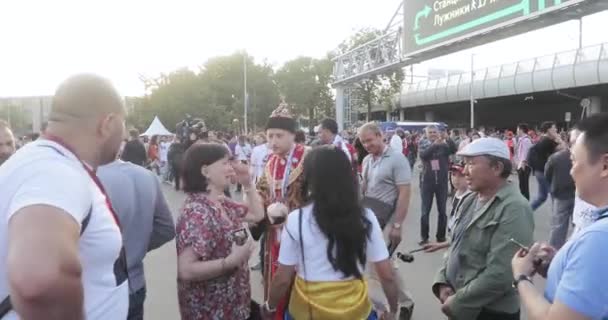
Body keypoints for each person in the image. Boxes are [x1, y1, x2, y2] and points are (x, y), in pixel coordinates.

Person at [0, 74, 129, 319]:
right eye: (124, 124)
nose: (123, 137)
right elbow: (38, 279)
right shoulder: (54, 171)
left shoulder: (42, 162)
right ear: (108, 123)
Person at [263, 146, 400, 319]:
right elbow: (386, 274)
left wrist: (270, 307)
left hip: (307, 310)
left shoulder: (296, 219)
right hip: (355, 310)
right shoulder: (366, 217)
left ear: (309, 178)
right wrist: (393, 308)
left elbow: (282, 278)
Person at [511, 112, 608, 320]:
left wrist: (521, 277)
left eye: (574, 161)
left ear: (605, 166)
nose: (571, 172)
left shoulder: (599, 238)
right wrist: (562, 262)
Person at [432, 137, 534, 320]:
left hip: (490, 312)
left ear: (497, 168)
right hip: (461, 302)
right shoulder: (470, 199)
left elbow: (502, 273)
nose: (464, 171)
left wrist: (458, 302)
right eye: (464, 164)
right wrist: (442, 281)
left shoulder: (515, 208)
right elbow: (456, 244)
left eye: (471, 164)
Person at [176, 143, 264, 319]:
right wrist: (231, 261)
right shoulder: (198, 212)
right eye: (224, 163)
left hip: (234, 305)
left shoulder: (221, 202)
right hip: (211, 310)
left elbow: (257, 215)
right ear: (205, 171)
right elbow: (186, 270)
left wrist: (247, 183)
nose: (231, 168)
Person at [97, 159, 176, 320]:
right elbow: (166, 228)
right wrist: (137, 246)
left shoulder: (82, 177)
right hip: (135, 285)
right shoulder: (146, 175)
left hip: (97, 293)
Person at [256, 103, 309, 320]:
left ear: (292, 135)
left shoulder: (310, 157)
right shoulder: (270, 162)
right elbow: (261, 189)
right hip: (275, 235)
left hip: (304, 234)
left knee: (300, 282)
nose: (273, 141)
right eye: (269, 136)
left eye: (278, 135)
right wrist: (260, 203)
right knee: (276, 277)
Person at [358, 122, 415, 319]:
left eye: (369, 140)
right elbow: (365, 190)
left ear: (380, 135)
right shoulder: (366, 160)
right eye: (363, 142)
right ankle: (405, 301)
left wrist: (397, 225)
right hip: (369, 216)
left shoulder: (397, 159)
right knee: (383, 262)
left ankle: (383, 307)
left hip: (388, 219)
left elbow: (405, 194)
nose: (366, 144)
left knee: (377, 263)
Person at [422, 163, 473, 253]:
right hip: (453, 241)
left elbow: (464, 233)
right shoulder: (457, 194)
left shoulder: (470, 199)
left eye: (461, 176)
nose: (456, 179)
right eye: (453, 175)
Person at [418, 125, 456, 245]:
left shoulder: (444, 145)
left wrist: (448, 139)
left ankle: (441, 237)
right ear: (426, 133)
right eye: (431, 132)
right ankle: (424, 237)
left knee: (442, 211)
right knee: (425, 212)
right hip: (427, 182)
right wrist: (434, 145)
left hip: (442, 182)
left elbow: (453, 150)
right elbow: (424, 155)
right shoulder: (423, 143)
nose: (433, 134)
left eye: (435, 132)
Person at [544, 128, 578, 249]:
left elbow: (547, 174)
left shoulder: (555, 157)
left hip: (560, 194)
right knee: (579, 225)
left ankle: (554, 252)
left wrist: (552, 186)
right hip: (578, 195)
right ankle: (575, 249)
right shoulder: (585, 158)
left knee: (558, 226)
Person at [529, 121, 565, 211]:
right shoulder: (547, 141)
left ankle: (527, 211)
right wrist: (558, 138)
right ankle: (557, 217)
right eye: (554, 128)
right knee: (555, 196)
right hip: (544, 172)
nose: (556, 129)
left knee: (542, 197)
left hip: (539, 172)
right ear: (549, 130)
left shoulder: (543, 139)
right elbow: (564, 149)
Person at [515, 123, 533, 200]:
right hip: (520, 164)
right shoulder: (520, 140)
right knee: (521, 184)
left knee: (524, 185)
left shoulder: (526, 140)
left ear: (521, 130)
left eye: (517, 130)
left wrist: (523, 162)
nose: (517, 131)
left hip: (524, 165)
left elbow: (526, 152)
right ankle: (523, 200)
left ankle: (526, 200)